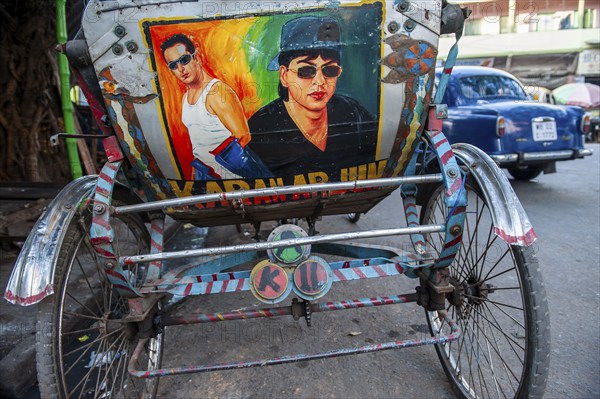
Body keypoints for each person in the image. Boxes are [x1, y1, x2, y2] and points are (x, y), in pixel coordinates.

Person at [248, 17, 378, 177]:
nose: (320, 81)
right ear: (284, 75)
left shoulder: (354, 114)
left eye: (329, 70)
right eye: (306, 71)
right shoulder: (258, 132)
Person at [160, 34, 272, 180]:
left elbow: (243, 136)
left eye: (184, 60)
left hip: (230, 175)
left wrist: (219, 167)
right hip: (205, 173)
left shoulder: (217, 92)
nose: (181, 68)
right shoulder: (186, 98)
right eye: (173, 65)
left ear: (197, 57)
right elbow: (198, 149)